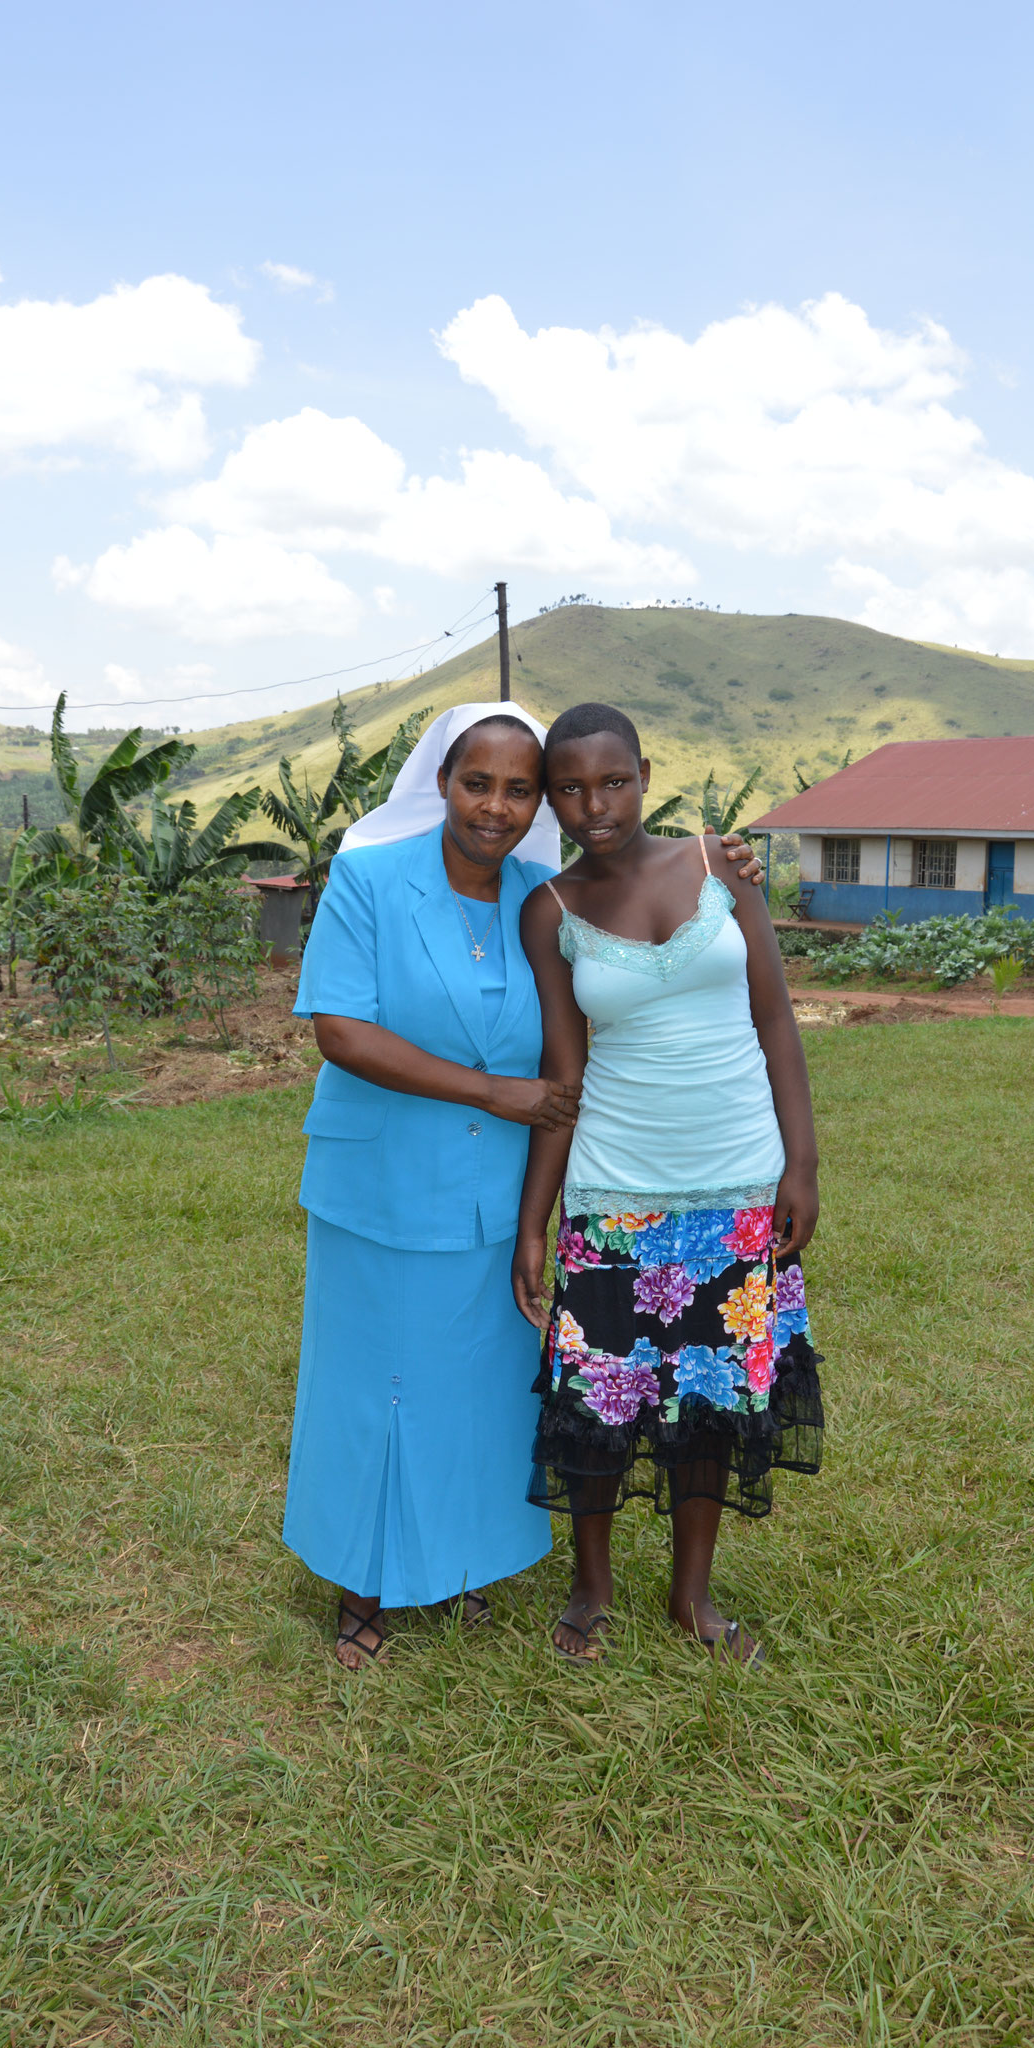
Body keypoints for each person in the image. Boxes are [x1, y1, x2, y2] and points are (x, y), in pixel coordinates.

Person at [283, 700, 769, 1670]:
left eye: (516, 789)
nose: (496, 807)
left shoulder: (544, 897)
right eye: (478, 782)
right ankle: (362, 1584)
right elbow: (340, 1029)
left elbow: (605, 993)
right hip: (382, 1179)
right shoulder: (368, 878)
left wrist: (733, 867)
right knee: (374, 1387)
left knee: (473, 1390)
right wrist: (491, 1089)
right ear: (442, 781)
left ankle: (455, 1564)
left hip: (499, 1191)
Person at [513, 701, 824, 1668]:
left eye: (612, 781)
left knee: (712, 1397)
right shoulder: (551, 910)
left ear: (646, 771)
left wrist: (800, 1164)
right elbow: (564, 1079)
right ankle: (591, 1587)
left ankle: (692, 1596)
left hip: (735, 1181)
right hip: (615, 1189)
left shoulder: (719, 865)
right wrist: (536, 1224)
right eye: (569, 788)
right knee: (601, 1401)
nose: (594, 805)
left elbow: (774, 1020)